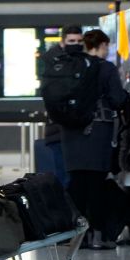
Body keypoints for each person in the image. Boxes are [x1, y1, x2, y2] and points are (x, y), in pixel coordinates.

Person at [60, 29, 128, 249]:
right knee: (96, 185)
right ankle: (97, 236)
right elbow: (117, 99)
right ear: (102, 45)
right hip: (98, 132)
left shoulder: (70, 66)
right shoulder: (106, 68)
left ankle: (76, 236)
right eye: (106, 46)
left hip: (71, 133)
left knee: (77, 185)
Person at [39, 26, 83, 189]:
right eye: (72, 41)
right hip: (59, 129)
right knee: (64, 176)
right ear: (63, 42)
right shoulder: (52, 61)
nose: (76, 44)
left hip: (76, 129)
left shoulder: (81, 60)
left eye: (79, 41)